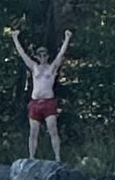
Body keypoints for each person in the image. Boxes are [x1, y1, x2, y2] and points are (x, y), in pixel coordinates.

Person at [8, 24, 72, 160]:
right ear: (37, 57)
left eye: (44, 55)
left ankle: (57, 157)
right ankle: (32, 157)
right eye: (40, 55)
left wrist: (67, 38)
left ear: (48, 56)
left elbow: (61, 54)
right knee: (33, 132)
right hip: (35, 103)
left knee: (53, 130)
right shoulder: (34, 67)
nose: (42, 57)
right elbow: (22, 54)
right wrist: (15, 38)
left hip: (48, 102)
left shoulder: (52, 68)